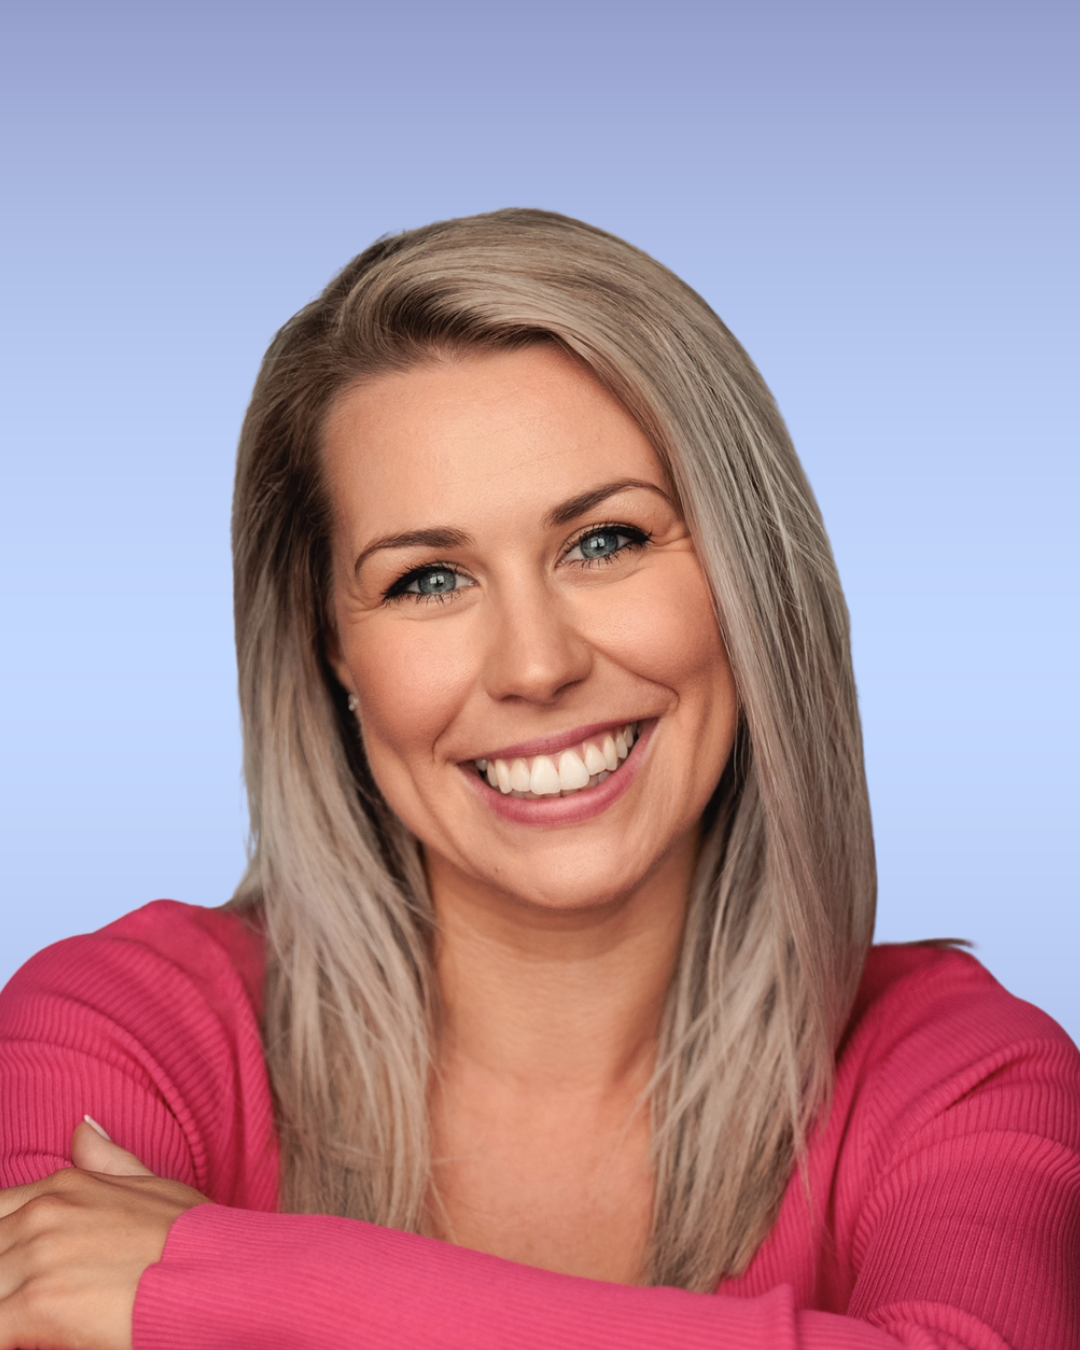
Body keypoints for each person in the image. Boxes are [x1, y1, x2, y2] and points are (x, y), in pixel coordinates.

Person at [0, 208, 1076, 1350]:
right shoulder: (117, 1035)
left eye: (604, 542)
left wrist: (221, 1280)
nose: (536, 665)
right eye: (426, 580)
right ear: (332, 651)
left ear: (749, 579)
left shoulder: (968, 1078)